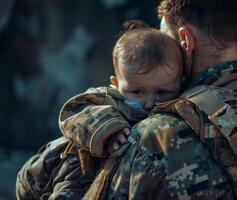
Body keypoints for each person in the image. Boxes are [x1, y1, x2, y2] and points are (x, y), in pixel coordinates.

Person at [16, 22, 184, 199]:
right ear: (116, 84)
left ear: (181, 82)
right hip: (76, 166)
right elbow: (73, 111)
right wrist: (108, 129)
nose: (149, 102)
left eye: (162, 92)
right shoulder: (107, 98)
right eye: (137, 92)